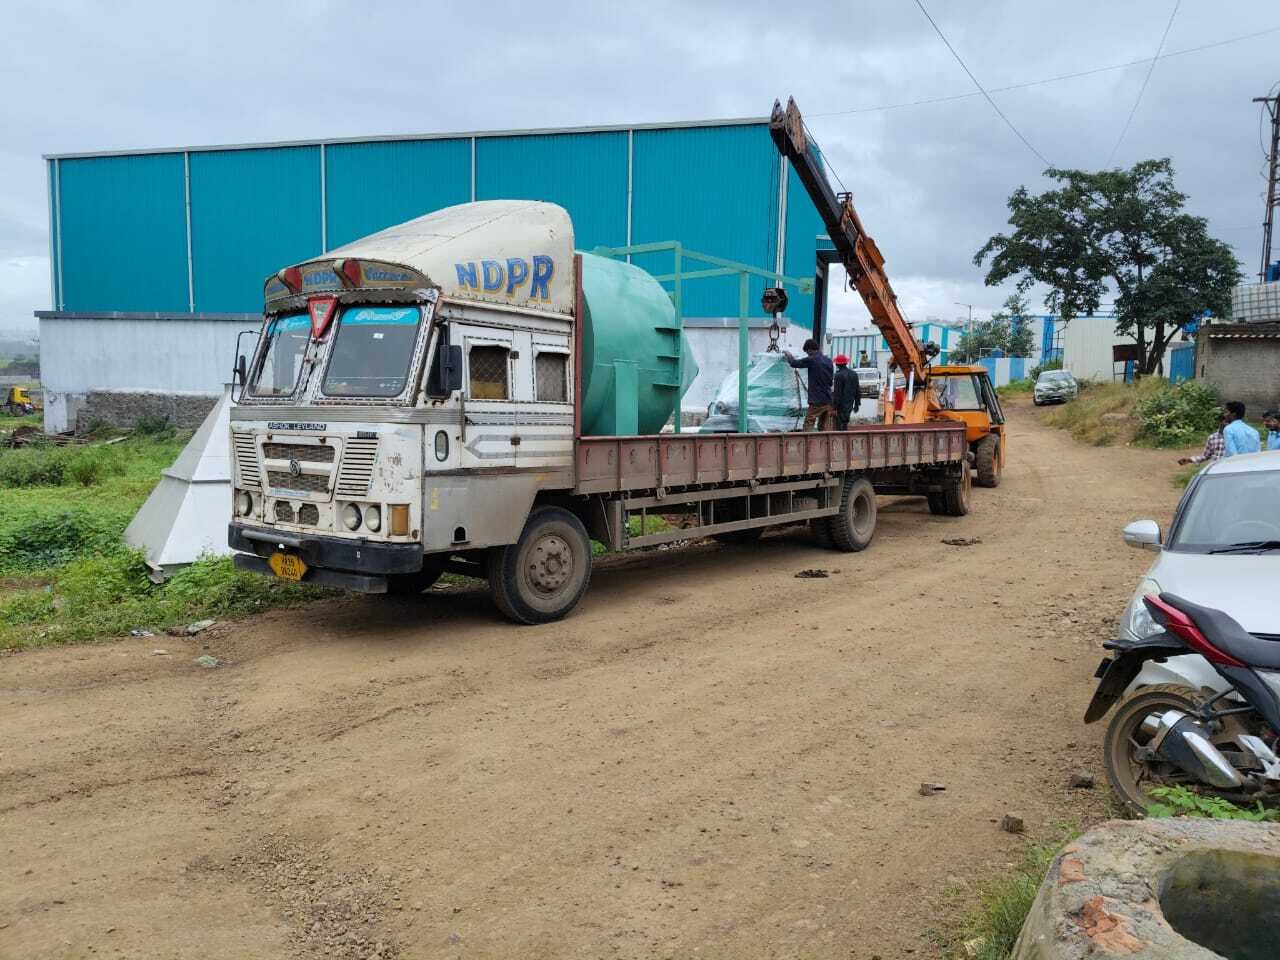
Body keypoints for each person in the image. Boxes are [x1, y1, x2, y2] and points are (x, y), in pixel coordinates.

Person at [783, 338, 835, 431]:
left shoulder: (812, 360)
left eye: (807, 352)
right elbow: (830, 380)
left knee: (809, 422)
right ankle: (823, 443)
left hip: (817, 400)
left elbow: (794, 363)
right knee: (823, 425)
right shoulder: (828, 361)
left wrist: (788, 355)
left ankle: (806, 443)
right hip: (828, 399)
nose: (808, 354)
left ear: (810, 349)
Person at [831, 354, 861, 430]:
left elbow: (837, 393)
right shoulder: (854, 374)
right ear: (846, 363)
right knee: (845, 422)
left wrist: (834, 407)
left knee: (840, 424)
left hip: (841, 405)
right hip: (850, 403)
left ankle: (841, 437)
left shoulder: (838, 375)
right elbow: (857, 390)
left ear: (837, 364)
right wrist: (857, 404)